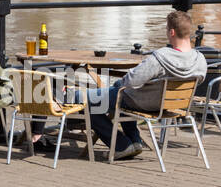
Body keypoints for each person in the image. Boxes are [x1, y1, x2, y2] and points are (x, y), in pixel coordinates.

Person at [81, 10, 206, 160]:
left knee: (84, 100)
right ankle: (135, 142)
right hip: (168, 105)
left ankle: (121, 145)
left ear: (171, 32)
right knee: (121, 95)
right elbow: (200, 80)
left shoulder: (161, 57)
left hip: (140, 102)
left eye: (167, 29)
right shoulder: (200, 60)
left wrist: (122, 82)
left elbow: (131, 81)